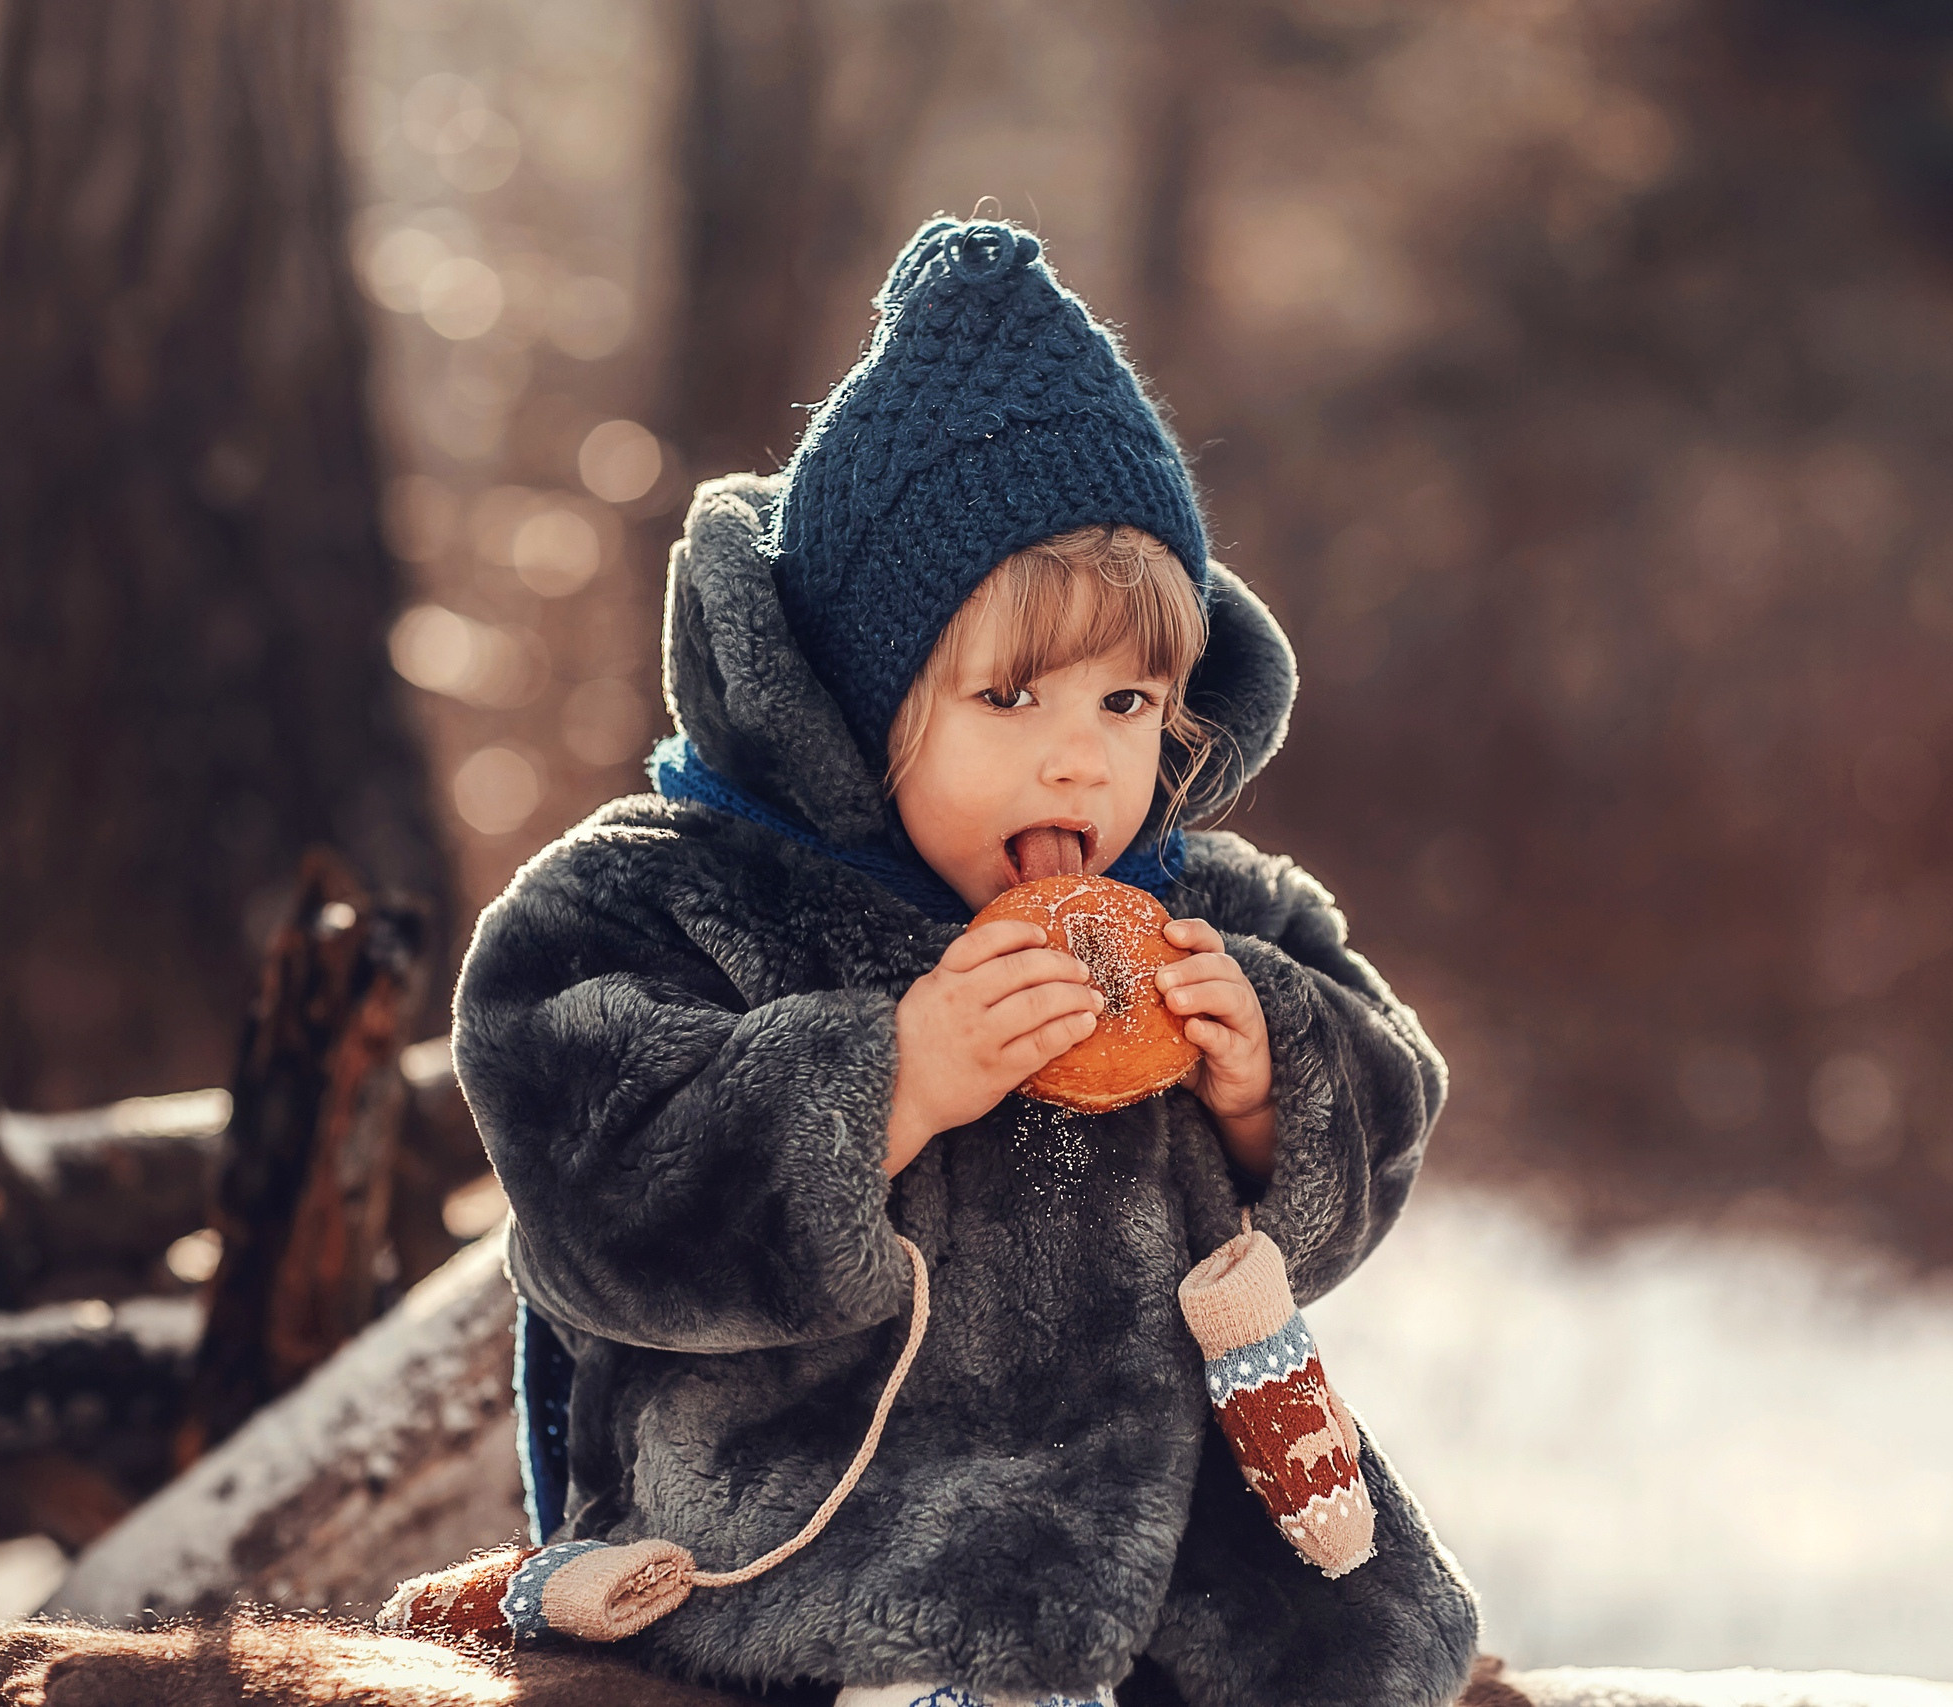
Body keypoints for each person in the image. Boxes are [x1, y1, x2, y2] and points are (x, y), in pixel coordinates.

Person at [452, 217, 1479, 1707]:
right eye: (1013, 696)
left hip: (1207, 1556)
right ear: (862, 703)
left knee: (1358, 1668)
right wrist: (884, 1084)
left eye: (1131, 702)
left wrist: (1279, 1085)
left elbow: (1392, 1112)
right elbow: (597, 1208)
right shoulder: (663, 902)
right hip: (832, 1536)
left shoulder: (1207, 913)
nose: (1083, 758)